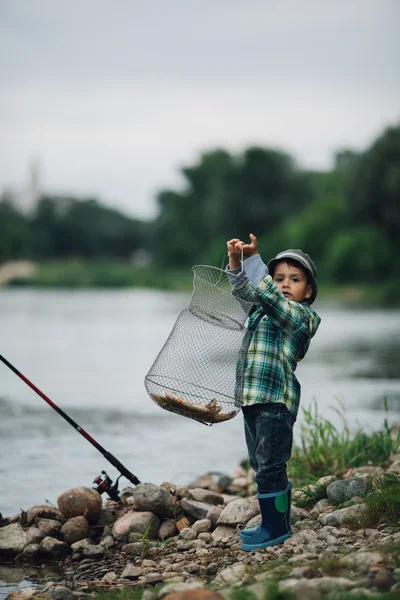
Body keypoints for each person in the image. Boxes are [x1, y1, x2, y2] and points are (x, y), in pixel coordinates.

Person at [226, 233, 321, 551]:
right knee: (259, 463)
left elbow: (272, 299)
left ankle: (276, 526)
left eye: (293, 280)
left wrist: (257, 263)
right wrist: (238, 262)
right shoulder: (263, 309)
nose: (283, 284)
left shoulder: (300, 318)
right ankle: (271, 522)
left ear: (308, 292)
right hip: (253, 398)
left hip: (276, 402)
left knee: (271, 465)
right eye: (278, 277)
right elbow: (245, 294)